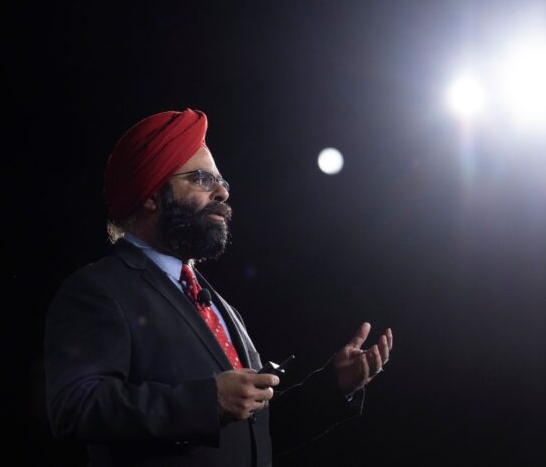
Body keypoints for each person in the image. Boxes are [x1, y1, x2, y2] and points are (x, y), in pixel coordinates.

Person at [44, 108, 393, 467]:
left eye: (222, 182)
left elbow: (252, 434)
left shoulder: (222, 309)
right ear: (152, 193)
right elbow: (76, 408)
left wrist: (334, 386)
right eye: (202, 179)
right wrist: (207, 402)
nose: (222, 192)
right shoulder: (100, 290)